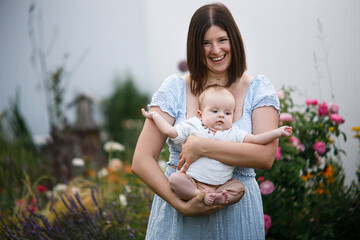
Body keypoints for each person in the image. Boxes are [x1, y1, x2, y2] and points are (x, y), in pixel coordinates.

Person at [132, 2, 281, 239]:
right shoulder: (175, 89)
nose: (215, 50)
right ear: (194, 46)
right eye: (205, 43)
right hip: (181, 212)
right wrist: (182, 205)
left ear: (234, 40)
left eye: (222, 40)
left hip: (238, 214)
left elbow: (264, 157)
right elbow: (141, 160)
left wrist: (202, 146)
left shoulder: (258, 89)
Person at [141, 85, 292, 206]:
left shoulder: (233, 132)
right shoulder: (194, 126)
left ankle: (220, 198)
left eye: (227, 113)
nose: (221, 115)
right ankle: (199, 195)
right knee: (175, 179)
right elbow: (169, 131)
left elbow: (256, 139)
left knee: (239, 189)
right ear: (200, 115)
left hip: (222, 185)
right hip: (194, 181)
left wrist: (277, 132)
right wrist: (154, 116)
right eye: (214, 111)